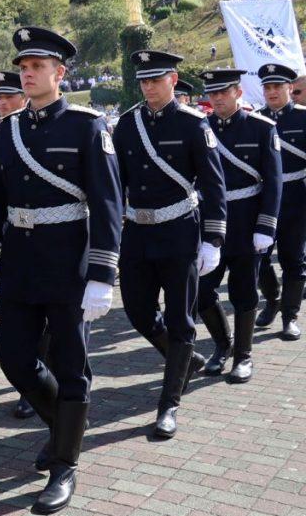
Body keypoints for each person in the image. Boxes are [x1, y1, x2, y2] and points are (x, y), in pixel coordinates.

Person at [0, 27, 122, 515]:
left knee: (70, 363)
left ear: (60, 73)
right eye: (24, 65)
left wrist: (103, 274)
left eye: (38, 65)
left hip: (68, 261)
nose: (28, 72)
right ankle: (63, 428)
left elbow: (106, 203)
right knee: (13, 357)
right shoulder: (3, 132)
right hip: (19, 262)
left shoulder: (86, 126)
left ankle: (65, 463)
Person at [111, 50, 226, 440]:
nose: (147, 87)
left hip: (179, 230)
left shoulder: (195, 124)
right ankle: (185, 360)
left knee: (180, 319)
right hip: (138, 233)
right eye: (143, 81)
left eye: (155, 80)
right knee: (139, 311)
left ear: (173, 80)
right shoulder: (126, 125)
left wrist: (213, 238)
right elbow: (117, 186)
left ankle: (169, 403)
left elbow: (213, 184)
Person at [197, 69, 281, 382]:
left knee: (244, 291)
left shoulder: (261, 128)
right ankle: (223, 345)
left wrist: (266, 226)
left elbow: (273, 182)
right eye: (212, 93)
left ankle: (243, 356)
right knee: (201, 291)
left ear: (238, 92)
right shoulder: (200, 127)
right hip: (211, 224)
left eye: (223, 92)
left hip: (247, 222)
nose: (217, 98)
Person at [0, 70, 51, 421]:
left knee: (46, 323)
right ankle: (28, 386)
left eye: (9, 96)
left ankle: (39, 386)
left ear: (23, 98)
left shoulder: (36, 130)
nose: (3, 102)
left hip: (47, 235)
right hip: (7, 235)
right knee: (13, 323)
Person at [254, 63, 306, 341]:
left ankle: (289, 316)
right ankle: (272, 299)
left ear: (289, 88)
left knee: (293, 260)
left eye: (277, 86)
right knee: (258, 258)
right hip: (262, 200)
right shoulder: (255, 120)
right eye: (267, 87)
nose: (272, 92)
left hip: (296, 197)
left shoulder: (303, 118)